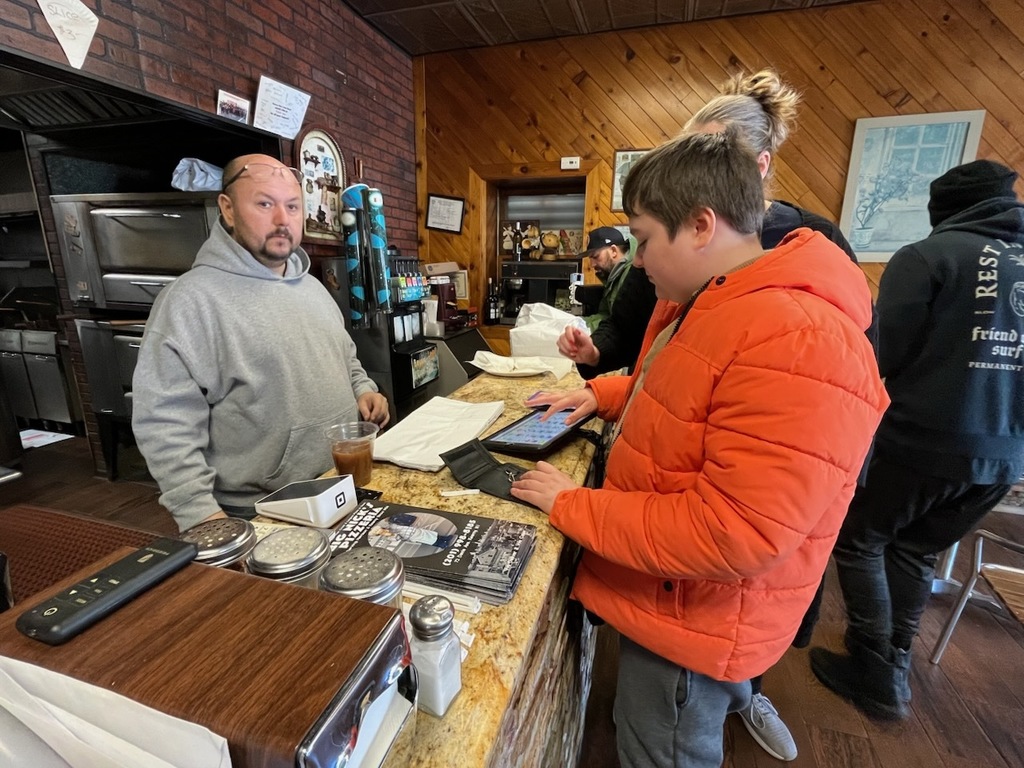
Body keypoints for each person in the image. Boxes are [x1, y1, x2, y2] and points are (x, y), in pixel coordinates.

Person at [511, 128, 887, 768]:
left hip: (696, 615)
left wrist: (574, 505)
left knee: (664, 743)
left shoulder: (796, 336)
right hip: (678, 597)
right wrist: (599, 395)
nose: (638, 258)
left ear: (701, 225)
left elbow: (733, 532)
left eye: (645, 238)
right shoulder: (713, 299)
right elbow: (677, 385)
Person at [810, 159, 1024, 721]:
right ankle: (894, 661)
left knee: (859, 538)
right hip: (1005, 456)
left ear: (943, 208)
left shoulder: (929, 257)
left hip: (923, 438)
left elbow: (881, 354)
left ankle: (875, 669)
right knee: (916, 548)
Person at [560, 69, 876, 385]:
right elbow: (629, 325)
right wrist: (596, 355)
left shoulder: (817, 244)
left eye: (710, 158)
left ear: (759, 166)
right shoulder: (667, 246)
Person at [132, 154, 389, 532]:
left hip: (338, 489)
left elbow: (344, 358)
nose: (283, 220)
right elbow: (164, 425)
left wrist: (362, 389)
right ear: (228, 209)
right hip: (259, 515)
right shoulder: (190, 301)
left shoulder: (313, 288)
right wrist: (204, 519)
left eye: (292, 206)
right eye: (265, 204)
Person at [578, 226, 636, 332]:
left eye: (595, 256)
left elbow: (622, 326)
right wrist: (578, 323)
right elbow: (606, 315)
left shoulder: (632, 277)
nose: (592, 264)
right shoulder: (613, 278)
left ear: (613, 251)